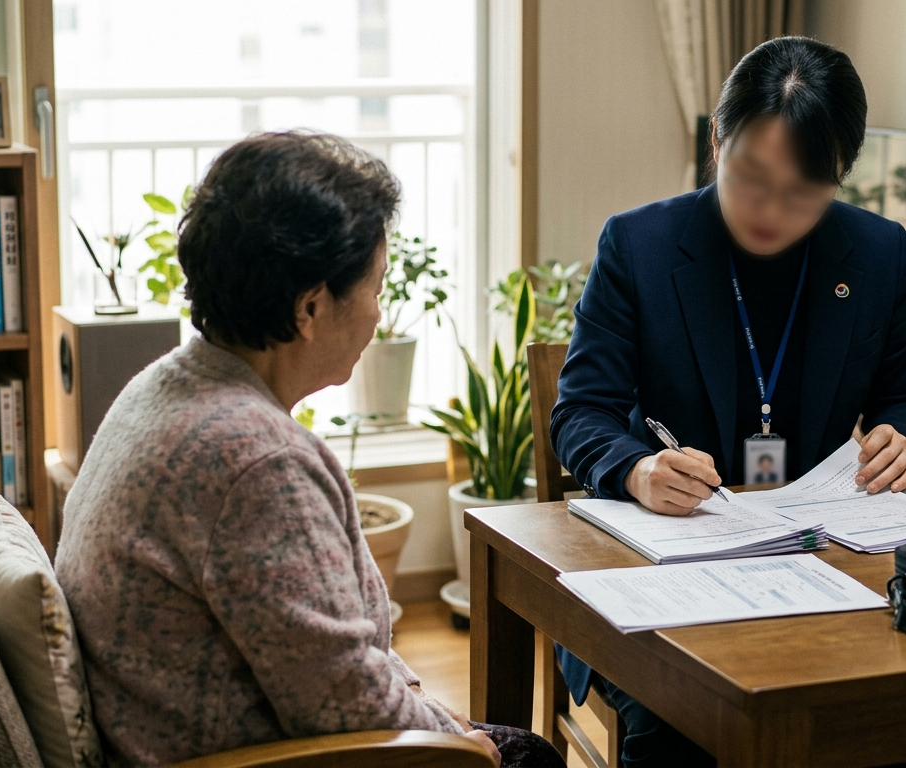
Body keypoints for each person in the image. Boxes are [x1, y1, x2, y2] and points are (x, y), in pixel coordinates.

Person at [54, 131, 564, 768]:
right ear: (311, 307)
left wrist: (417, 700)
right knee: (525, 756)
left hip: (221, 730)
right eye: (375, 287)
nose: (378, 314)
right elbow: (350, 702)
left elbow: (333, 656)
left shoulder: (164, 386)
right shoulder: (256, 462)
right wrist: (450, 736)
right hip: (275, 754)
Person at [549, 37, 906, 768]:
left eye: (802, 191)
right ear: (716, 141)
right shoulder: (640, 245)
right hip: (673, 572)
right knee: (680, 729)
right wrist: (638, 471)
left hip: (825, 562)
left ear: (839, 177)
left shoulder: (876, 251)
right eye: (750, 176)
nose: (769, 208)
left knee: (905, 706)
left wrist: (902, 435)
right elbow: (580, 412)